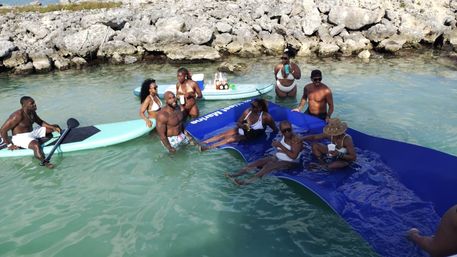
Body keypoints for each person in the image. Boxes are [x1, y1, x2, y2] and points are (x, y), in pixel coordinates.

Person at [225, 120, 303, 185]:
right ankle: (236, 174)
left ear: (291, 128)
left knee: (269, 166)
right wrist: (279, 148)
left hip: (292, 162)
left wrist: (280, 146)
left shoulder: (296, 140)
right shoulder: (284, 135)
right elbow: (286, 148)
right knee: (258, 162)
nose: (287, 132)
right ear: (281, 131)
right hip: (278, 157)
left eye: (288, 129)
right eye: (284, 130)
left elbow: (294, 156)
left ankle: (246, 182)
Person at [0, 96, 61, 168]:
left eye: (34, 102)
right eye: (32, 103)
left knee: (55, 127)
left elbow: (40, 122)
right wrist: (9, 145)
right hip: (20, 137)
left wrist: (52, 127)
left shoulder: (32, 112)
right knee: (36, 145)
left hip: (32, 132)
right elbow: (3, 130)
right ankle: (45, 162)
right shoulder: (17, 115)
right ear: (24, 105)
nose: (35, 104)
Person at [200, 98, 278, 151]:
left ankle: (208, 148)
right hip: (244, 129)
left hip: (252, 135)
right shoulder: (248, 111)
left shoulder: (266, 117)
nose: (252, 107)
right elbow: (238, 122)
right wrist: (242, 126)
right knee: (222, 134)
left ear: (260, 108)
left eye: (254, 106)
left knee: (229, 139)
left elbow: (274, 129)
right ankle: (203, 142)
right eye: (251, 105)